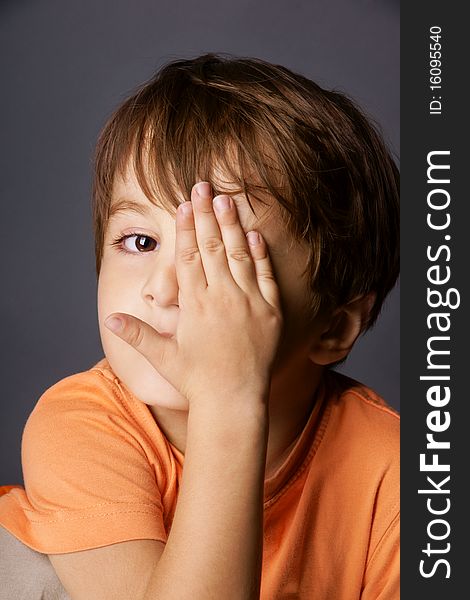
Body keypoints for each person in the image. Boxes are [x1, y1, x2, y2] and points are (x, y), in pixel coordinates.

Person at [0, 53, 399, 599]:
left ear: (332, 327)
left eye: (221, 260)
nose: (161, 289)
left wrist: (228, 396)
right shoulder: (81, 427)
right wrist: (228, 402)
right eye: (140, 242)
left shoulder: (397, 473)